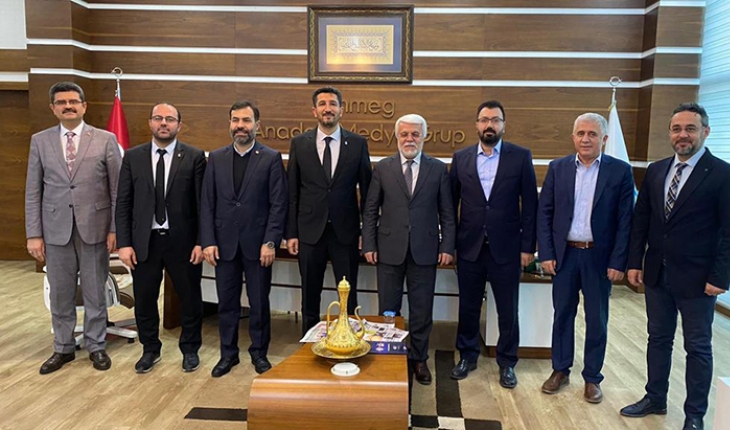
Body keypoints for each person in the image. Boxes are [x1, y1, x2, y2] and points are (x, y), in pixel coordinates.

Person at [620, 103, 730, 430]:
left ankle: (694, 415)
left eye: (690, 129)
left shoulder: (722, 174)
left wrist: (721, 277)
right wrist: (634, 262)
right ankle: (655, 397)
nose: (683, 135)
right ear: (669, 133)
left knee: (697, 347)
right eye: (677, 129)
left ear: (705, 132)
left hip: (699, 279)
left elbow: (729, 232)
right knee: (658, 339)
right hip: (657, 273)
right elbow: (642, 221)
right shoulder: (657, 170)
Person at [537, 113, 634, 403]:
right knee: (562, 315)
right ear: (573, 137)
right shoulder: (558, 168)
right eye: (580, 133)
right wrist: (547, 253)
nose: (586, 139)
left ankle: (592, 377)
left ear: (604, 139)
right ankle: (560, 370)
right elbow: (545, 213)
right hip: (565, 256)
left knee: (597, 319)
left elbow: (626, 220)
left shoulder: (620, 171)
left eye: (592, 134)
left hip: (598, 258)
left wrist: (618, 261)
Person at [25, 81, 122, 374]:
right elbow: (33, 191)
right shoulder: (40, 141)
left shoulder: (105, 139)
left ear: (84, 106)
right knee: (60, 293)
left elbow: (117, 190)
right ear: (53, 108)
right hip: (55, 231)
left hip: (95, 228)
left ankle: (96, 345)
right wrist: (34, 234)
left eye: (73, 102)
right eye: (61, 102)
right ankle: (63, 347)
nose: (68, 106)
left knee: (94, 291)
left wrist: (115, 228)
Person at [449, 100, 538, 388]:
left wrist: (528, 247)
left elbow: (530, 205)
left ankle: (507, 362)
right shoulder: (461, 158)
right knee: (468, 306)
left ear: (503, 125)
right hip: (470, 248)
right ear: (477, 125)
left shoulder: (520, 157)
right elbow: (450, 205)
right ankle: (467, 356)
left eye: (495, 120)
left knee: (507, 310)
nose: (490, 125)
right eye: (485, 120)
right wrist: (450, 246)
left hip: (507, 249)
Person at [362, 114, 456, 385]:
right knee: (388, 310)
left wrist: (447, 246)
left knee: (421, 310)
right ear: (397, 137)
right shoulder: (383, 167)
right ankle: (390, 357)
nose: (409, 139)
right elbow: (370, 209)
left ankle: (419, 359)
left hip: (425, 250)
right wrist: (368, 243)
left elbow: (447, 212)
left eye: (415, 134)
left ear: (424, 136)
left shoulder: (438, 169)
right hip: (388, 250)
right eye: (404, 134)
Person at [115, 103, 206, 374]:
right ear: (150, 123)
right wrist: (124, 243)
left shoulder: (194, 156)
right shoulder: (133, 157)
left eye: (169, 119)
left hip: (184, 243)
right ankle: (150, 349)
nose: (163, 123)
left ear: (179, 124)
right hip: (145, 242)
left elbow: (203, 204)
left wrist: (201, 241)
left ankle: (190, 350)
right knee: (145, 299)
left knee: (190, 299)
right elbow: (123, 203)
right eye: (158, 118)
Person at [200, 100, 287, 377]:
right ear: (229, 123)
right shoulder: (216, 158)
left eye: (246, 120)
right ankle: (228, 355)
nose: (240, 125)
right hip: (223, 245)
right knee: (227, 304)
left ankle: (259, 353)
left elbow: (278, 205)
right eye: (235, 120)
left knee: (259, 303)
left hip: (258, 246)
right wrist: (208, 241)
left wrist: (271, 242)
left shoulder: (270, 158)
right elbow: (207, 203)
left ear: (257, 125)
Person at [286, 86, 372, 335]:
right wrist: (291, 233)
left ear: (341, 110)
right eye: (322, 104)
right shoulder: (299, 143)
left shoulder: (357, 144)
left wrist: (366, 233)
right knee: (309, 295)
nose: (328, 108)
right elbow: (292, 192)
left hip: (346, 233)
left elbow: (367, 194)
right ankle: (309, 343)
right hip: (309, 232)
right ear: (314, 111)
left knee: (348, 295)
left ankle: (349, 340)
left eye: (333, 104)